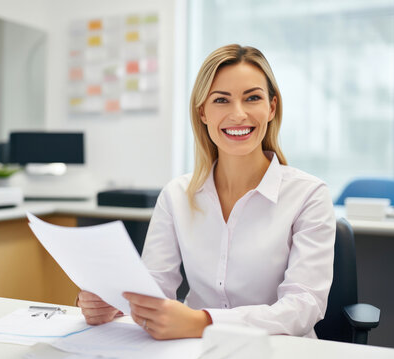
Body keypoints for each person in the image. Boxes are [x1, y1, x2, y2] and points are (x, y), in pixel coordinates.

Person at [78, 44, 336, 340]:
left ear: (271, 107)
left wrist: (202, 322)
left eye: (252, 98)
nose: (238, 114)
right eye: (221, 100)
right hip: (192, 349)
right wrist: (112, 304)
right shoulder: (176, 195)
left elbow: (303, 306)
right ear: (202, 112)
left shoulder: (309, 195)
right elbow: (153, 289)